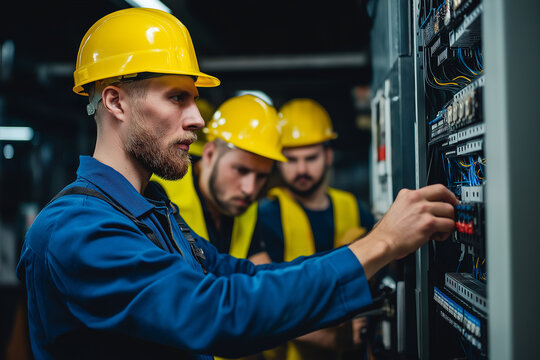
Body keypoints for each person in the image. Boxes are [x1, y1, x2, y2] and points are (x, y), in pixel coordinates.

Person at [16, 8, 458, 360]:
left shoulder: (153, 210)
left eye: (193, 98)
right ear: (115, 101)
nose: (197, 118)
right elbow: (219, 313)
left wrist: (364, 259)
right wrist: (379, 245)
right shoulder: (77, 231)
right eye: (177, 97)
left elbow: (243, 277)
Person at [255, 98, 376, 360]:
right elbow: (265, 302)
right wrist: (336, 338)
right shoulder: (265, 216)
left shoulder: (354, 208)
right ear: (277, 161)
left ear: (328, 155)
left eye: (310, 158)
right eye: (291, 159)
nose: (301, 169)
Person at [151, 94, 285, 264]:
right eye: (241, 170)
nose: (249, 189)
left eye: (261, 176)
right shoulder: (159, 192)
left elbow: (260, 269)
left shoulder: (245, 206)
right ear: (209, 154)